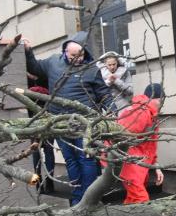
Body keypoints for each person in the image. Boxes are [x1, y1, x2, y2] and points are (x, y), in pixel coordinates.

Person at [24, 31, 113, 205]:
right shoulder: (52, 63)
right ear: (65, 51)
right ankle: (78, 195)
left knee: (86, 159)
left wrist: (111, 110)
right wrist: (28, 51)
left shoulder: (91, 69)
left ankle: (87, 199)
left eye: (81, 55)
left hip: (85, 123)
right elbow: (34, 68)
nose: (77, 59)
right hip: (60, 123)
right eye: (73, 55)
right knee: (71, 160)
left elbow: (104, 94)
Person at [118, 83, 165, 204]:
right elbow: (121, 137)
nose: (162, 104)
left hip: (138, 162)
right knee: (141, 199)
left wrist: (156, 166)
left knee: (133, 198)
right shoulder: (140, 112)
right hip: (130, 162)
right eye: (162, 99)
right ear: (157, 98)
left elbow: (150, 145)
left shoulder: (151, 114)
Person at [27, 73, 55, 194]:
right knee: (49, 153)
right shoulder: (47, 88)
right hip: (47, 122)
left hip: (34, 123)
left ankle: (37, 184)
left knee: (35, 155)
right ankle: (50, 182)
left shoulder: (28, 90)